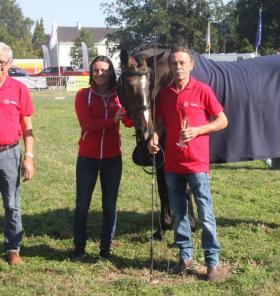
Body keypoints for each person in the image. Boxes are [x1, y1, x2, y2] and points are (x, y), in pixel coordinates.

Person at [148, 47, 228, 282]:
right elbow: (159, 123)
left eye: (182, 62)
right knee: (179, 213)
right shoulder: (164, 94)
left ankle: (212, 262)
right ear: (170, 67)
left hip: (197, 163)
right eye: (174, 63)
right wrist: (154, 137)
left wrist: (199, 130)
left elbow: (222, 120)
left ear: (191, 65)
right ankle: (185, 257)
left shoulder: (202, 90)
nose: (178, 67)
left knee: (205, 213)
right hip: (172, 164)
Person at [72, 55, 133, 261]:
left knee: (109, 205)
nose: (100, 74)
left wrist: (134, 108)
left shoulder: (119, 96)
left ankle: (105, 250)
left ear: (111, 72)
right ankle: (79, 248)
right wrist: (111, 120)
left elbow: (128, 124)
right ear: (91, 72)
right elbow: (86, 123)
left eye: (104, 70)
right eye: (96, 70)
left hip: (112, 158)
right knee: (82, 204)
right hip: (87, 158)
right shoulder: (83, 95)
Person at [0, 42, 34, 265]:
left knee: (12, 204)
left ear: (10, 63)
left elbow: (27, 124)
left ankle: (13, 248)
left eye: (1, 63)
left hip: (9, 154)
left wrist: (29, 157)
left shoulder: (19, 88)